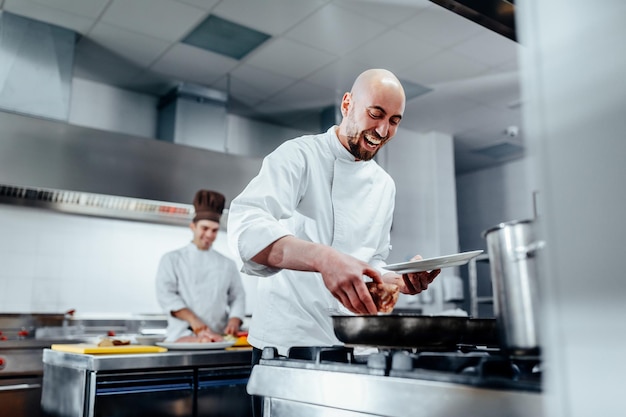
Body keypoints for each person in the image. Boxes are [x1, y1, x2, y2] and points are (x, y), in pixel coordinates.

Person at [227, 68, 440, 356]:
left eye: (394, 121)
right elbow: (246, 228)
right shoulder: (299, 156)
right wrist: (323, 258)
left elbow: (372, 260)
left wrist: (397, 279)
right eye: (375, 114)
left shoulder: (384, 185)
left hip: (358, 345)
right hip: (290, 343)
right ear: (347, 104)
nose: (382, 130)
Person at [156, 189, 246, 342]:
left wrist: (234, 320)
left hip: (217, 338)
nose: (210, 235)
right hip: (182, 336)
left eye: (214, 230)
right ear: (193, 227)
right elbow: (166, 296)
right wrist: (193, 320)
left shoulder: (227, 264)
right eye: (205, 228)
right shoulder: (172, 259)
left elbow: (238, 296)